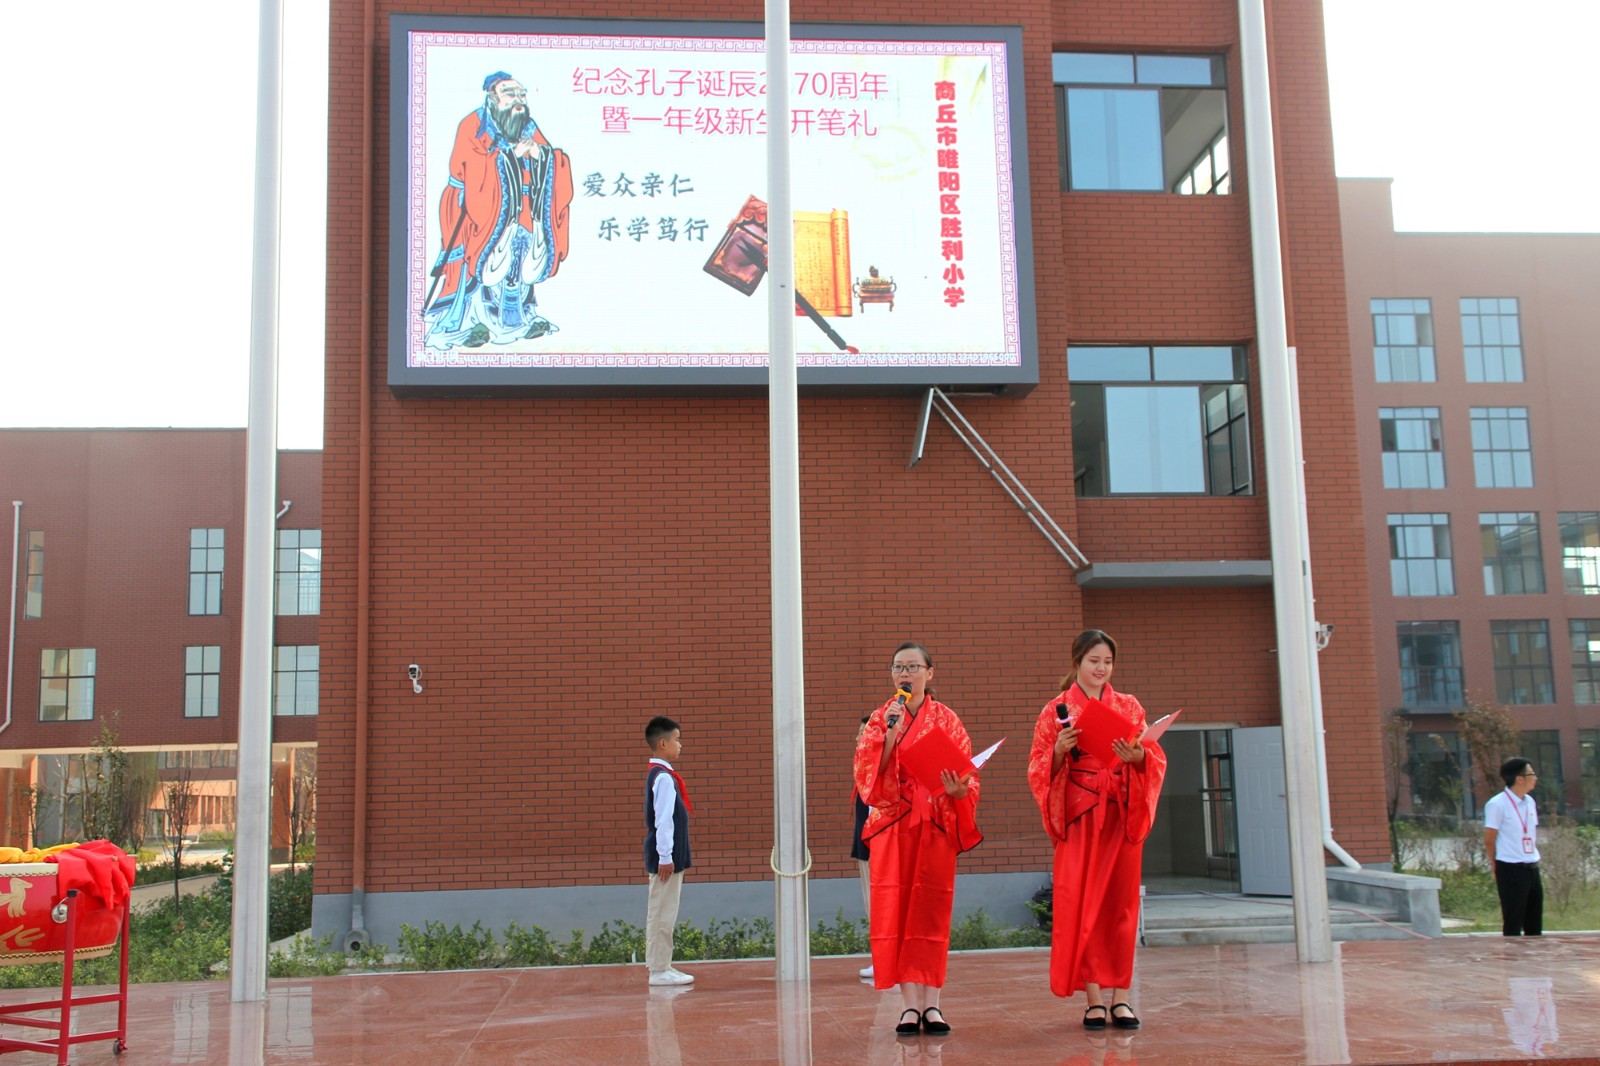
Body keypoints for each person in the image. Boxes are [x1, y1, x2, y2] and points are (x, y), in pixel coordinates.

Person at [1027, 629, 1167, 1031]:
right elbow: (1037, 767)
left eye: (1107, 662)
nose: (1101, 668)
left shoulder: (1128, 705)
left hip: (1119, 813)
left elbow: (1152, 756)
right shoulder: (1055, 710)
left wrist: (1139, 756)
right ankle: (1092, 999)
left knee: (1121, 907)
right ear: (1077, 663)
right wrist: (1057, 751)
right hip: (1080, 816)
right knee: (1083, 903)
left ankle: (1121, 996)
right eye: (1094, 661)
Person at [854, 642, 982, 1036]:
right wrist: (889, 737)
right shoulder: (881, 719)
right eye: (897, 667)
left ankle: (933, 1005)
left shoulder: (947, 719)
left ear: (930, 672)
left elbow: (967, 776)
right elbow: (867, 779)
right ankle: (909, 1006)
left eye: (912, 666)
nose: (904, 673)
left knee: (930, 911)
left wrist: (959, 791)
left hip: (936, 825)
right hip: (895, 827)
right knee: (897, 909)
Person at [424, 72, 573, 350]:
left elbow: (552, 159)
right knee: (467, 263)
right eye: (510, 94)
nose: (518, 100)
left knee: (516, 259)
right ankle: (457, 326)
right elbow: (471, 166)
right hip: (471, 206)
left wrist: (540, 155)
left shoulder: (527, 125)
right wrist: (511, 156)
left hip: (519, 208)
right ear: (492, 97)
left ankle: (515, 323)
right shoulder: (473, 126)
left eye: (522, 94)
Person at [644, 715, 695, 986]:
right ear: (662, 744)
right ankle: (658, 969)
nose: (680, 745)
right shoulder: (663, 778)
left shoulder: (663, 775)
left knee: (667, 910)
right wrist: (666, 857)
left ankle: (663, 964)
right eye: (677, 740)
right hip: (666, 858)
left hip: (670, 856)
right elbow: (663, 820)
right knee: (662, 911)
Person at [1484, 757, 1542, 937]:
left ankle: (1533, 960)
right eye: (1531, 773)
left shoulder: (1530, 802)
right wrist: (1495, 866)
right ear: (1519, 778)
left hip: (1531, 866)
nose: (1535, 777)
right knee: (1513, 920)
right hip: (1509, 867)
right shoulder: (1497, 804)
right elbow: (1489, 839)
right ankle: (1512, 961)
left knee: (1534, 922)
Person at [853, 715, 874, 980]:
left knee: (883, 907)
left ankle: (887, 961)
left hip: (879, 846)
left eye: (862, 733)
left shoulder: (879, 770)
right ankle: (879, 958)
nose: (857, 738)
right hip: (866, 847)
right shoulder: (864, 769)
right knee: (873, 907)